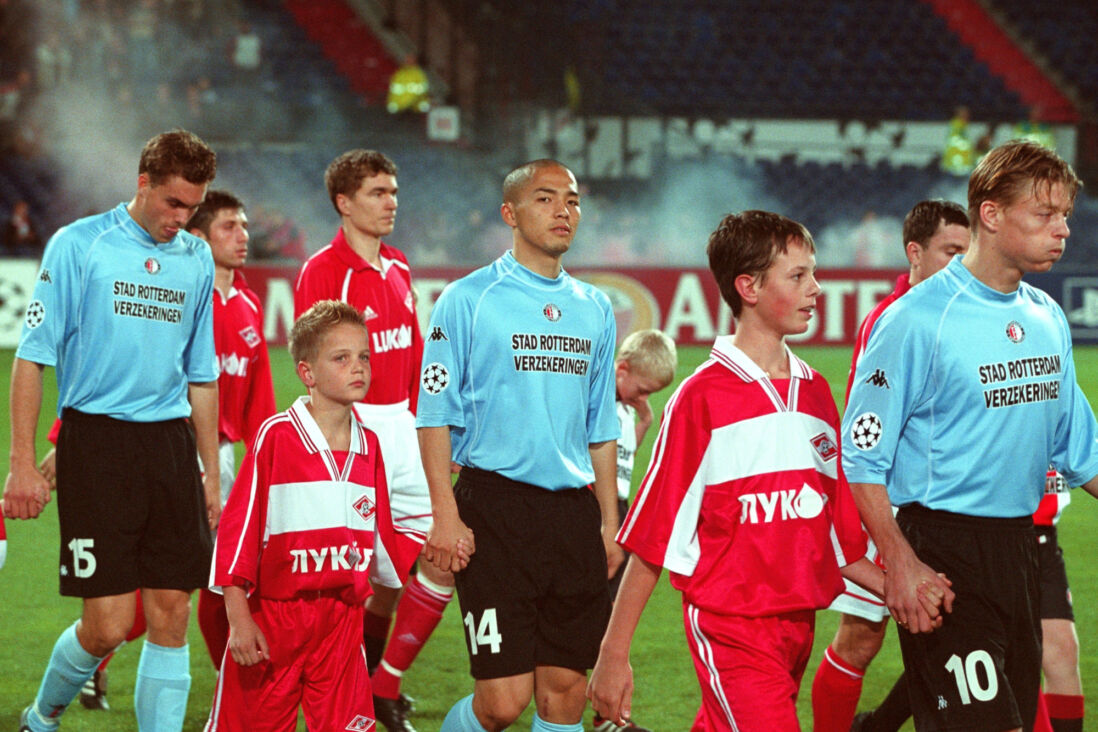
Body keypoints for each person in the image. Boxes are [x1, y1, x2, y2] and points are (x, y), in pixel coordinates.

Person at [588, 210, 904, 732]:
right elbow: (653, 537)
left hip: (798, 626)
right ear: (748, 287)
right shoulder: (701, 398)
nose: (816, 288)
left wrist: (901, 587)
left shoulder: (816, 393)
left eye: (813, 273)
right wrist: (613, 654)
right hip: (730, 628)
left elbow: (836, 534)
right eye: (798, 276)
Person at [842, 139, 1098, 732]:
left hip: (1022, 550)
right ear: (991, 214)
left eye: (1065, 215)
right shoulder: (916, 319)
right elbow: (862, 456)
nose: (1062, 229)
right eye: (1044, 213)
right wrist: (900, 563)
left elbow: (1081, 449)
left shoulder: (1046, 316)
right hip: (944, 556)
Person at [4, 129, 221, 732]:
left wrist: (209, 473)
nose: (182, 219)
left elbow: (202, 375)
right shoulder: (80, 245)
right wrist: (22, 463)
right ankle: (41, 717)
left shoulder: (196, 258)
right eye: (173, 203)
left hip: (170, 445)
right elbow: (32, 358)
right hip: (96, 445)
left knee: (172, 612)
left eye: (193, 207)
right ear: (143, 183)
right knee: (107, 627)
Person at [418, 159, 623, 732]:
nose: (563, 211)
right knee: (502, 703)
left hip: (573, 514)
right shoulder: (467, 299)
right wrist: (444, 513)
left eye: (573, 200)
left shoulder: (595, 307)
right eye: (545, 198)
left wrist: (609, 521)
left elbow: (601, 425)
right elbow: (433, 414)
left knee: (565, 695)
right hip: (495, 510)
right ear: (509, 213)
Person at [294, 149, 448, 732]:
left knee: (443, 554)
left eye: (394, 192)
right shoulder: (323, 271)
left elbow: (416, 354)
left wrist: (428, 430)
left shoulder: (399, 265)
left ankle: (382, 684)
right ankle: (338, 693)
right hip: (352, 430)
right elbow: (314, 365)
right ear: (344, 202)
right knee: (352, 576)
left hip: (404, 427)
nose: (391, 203)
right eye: (378, 193)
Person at [205, 300, 410, 730]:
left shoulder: (370, 447)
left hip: (341, 624)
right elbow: (237, 537)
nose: (358, 367)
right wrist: (239, 621)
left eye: (364, 356)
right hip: (273, 619)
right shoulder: (276, 438)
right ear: (307, 373)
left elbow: (383, 543)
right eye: (341, 358)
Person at [811, 199, 971, 732]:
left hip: (941, 506)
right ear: (914, 253)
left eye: (967, 253)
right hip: (886, 502)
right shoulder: (895, 318)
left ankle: (875, 725)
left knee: (955, 630)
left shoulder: (958, 313)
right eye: (951, 251)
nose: (961, 264)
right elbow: (868, 432)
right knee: (861, 638)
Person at [853, 467, 1086, 732]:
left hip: (1036, 539)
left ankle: (876, 726)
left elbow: (1083, 456)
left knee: (1059, 652)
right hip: (969, 536)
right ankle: (876, 725)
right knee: (970, 657)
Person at [591, 328, 677, 732]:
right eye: (642, 390)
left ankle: (603, 713)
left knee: (608, 617)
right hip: (599, 511)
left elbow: (623, 459)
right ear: (621, 369)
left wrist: (643, 421)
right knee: (599, 617)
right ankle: (600, 715)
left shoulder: (624, 409)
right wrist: (605, 523)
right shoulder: (597, 402)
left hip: (617, 510)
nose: (643, 398)